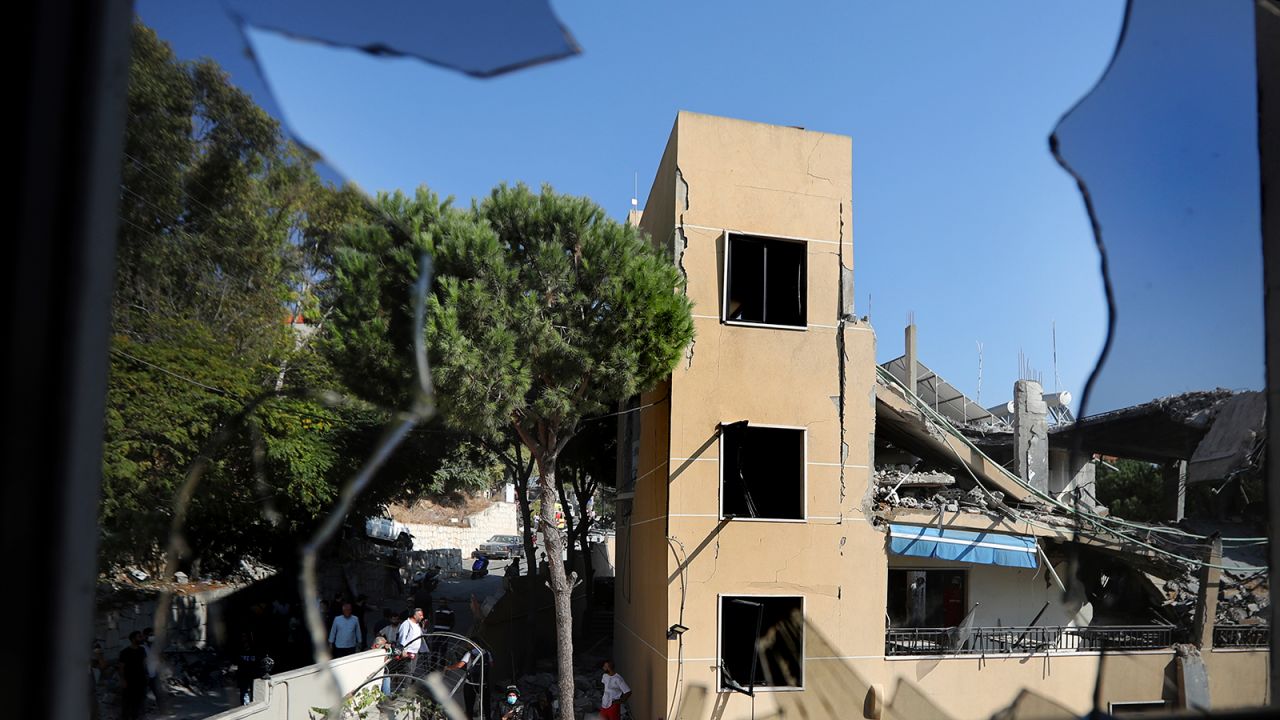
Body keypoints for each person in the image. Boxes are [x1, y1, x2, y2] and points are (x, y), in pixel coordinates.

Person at [118, 631, 148, 720]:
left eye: (141, 636)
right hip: (129, 680)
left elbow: (144, 663)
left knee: (138, 702)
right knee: (127, 703)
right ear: (133, 639)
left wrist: (146, 675)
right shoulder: (125, 652)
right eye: (139, 637)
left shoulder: (142, 650)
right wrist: (123, 680)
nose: (141, 638)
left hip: (140, 680)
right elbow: (121, 667)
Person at [396, 608, 427, 675]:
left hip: (415, 652)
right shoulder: (406, 624)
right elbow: (402, 638)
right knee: (407, 672)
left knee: (411, 672)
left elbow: (420, 636)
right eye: (420, 615)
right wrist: (403, 650)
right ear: (415, 616)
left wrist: (423, 627)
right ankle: (405, 685)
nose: (422, 617)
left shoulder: (417, 625)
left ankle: (407, 684)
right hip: (408, 652)